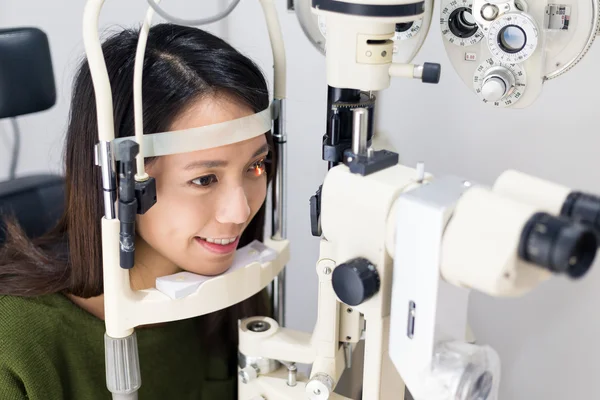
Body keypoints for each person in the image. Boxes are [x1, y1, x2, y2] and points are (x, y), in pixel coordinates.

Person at [0, 23, 276, 399]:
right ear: (122, 178)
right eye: (205, 179)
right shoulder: (14, 342)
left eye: (255, 167)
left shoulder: (235, 290)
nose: (239, 211)